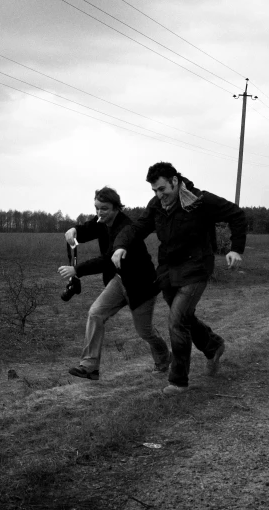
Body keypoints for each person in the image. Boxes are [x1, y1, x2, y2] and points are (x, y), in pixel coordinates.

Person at [111, 162, 247, 396]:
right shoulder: (156, 205)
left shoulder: (199, 201)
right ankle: (213, 345)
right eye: (154, 190)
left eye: (162, 189)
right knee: (184, 317)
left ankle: (178, 381)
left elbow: (237, 214)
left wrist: (236, 249)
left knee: (176, 321)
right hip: (168, 271)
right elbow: (138, 228)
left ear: (175, 181)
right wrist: (121, 246)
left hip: (196, 267)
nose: (158, 195)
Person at [59, 187, 170, 381]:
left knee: (145, 331)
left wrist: (77, 270)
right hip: (119, 281)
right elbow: (90, 227)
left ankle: (164, 357)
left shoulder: (126, 227)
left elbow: (108, 259)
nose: (99, 212)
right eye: (97, 208)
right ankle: (90, 366)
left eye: (104, 208)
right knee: (95, 313)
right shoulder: (102, 221)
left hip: (141, 285)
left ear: (116, 208)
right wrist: (75, 230)